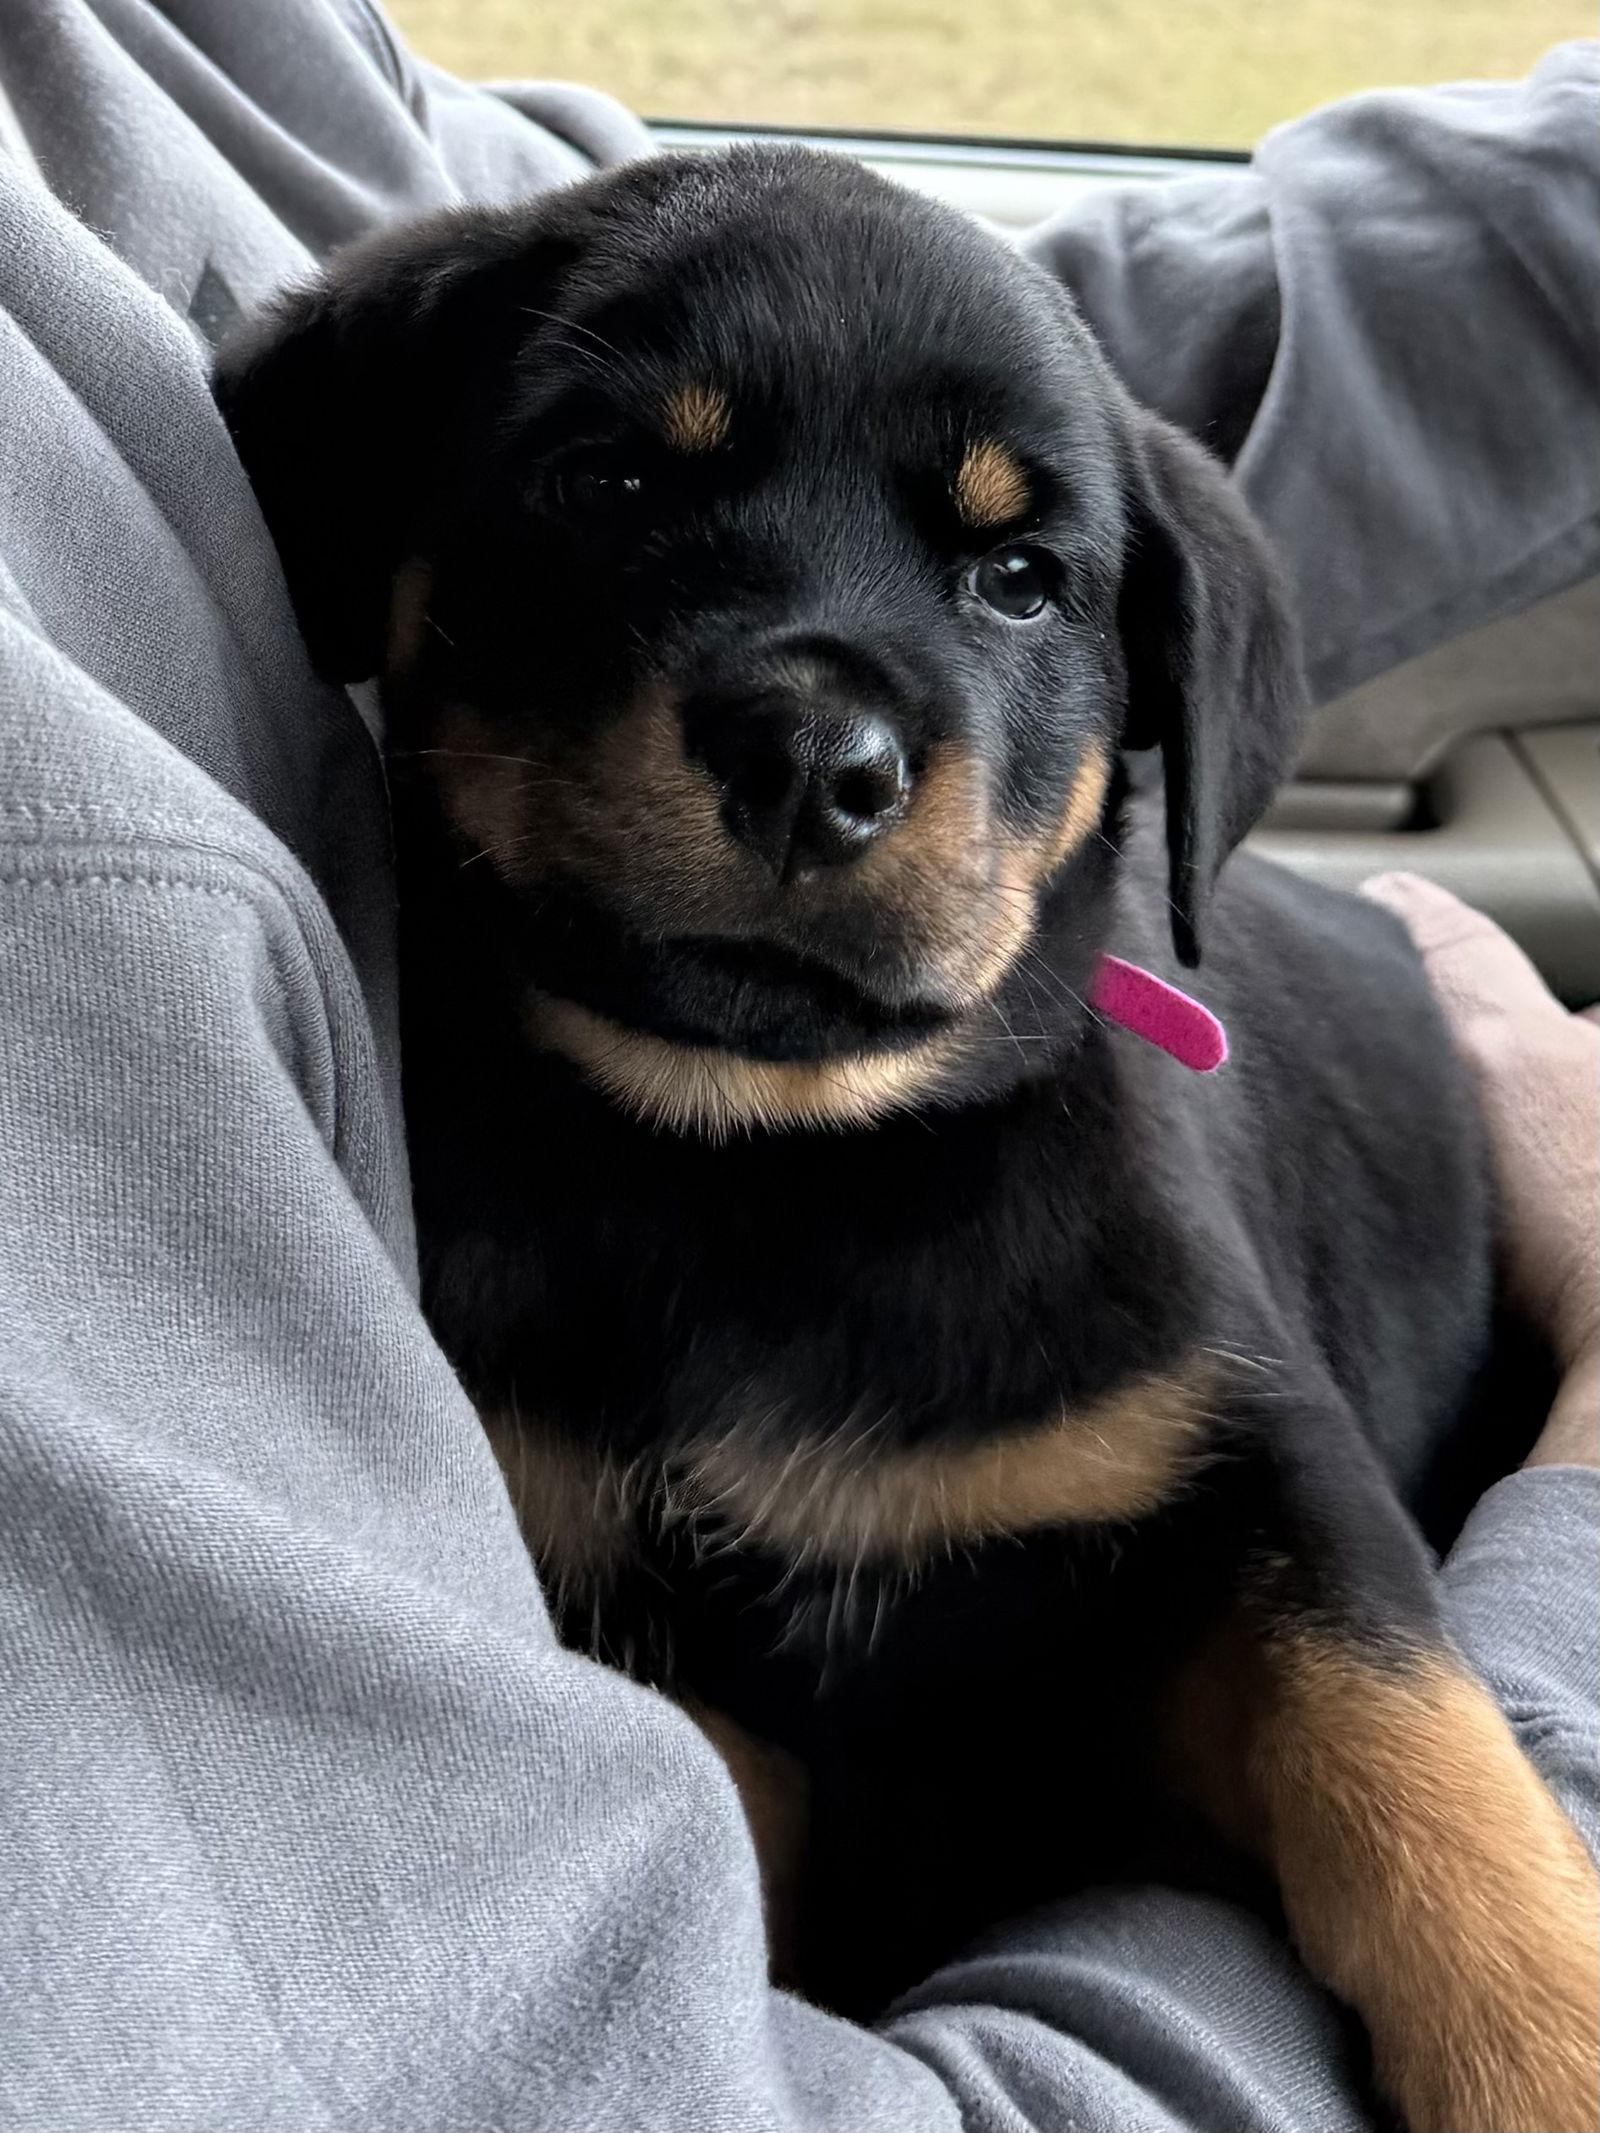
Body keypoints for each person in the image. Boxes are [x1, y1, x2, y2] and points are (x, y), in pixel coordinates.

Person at [0, 7, 1595, 2126]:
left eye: (1019, 578)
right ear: (356, 553)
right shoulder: (165, 1059)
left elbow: (1261, 1581)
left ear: (1150, 737)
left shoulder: (237, 50)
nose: (831, 739)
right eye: (612, 481)